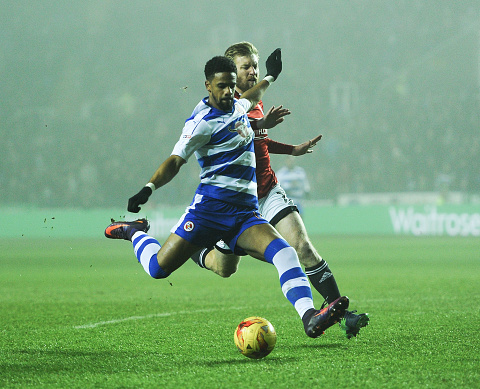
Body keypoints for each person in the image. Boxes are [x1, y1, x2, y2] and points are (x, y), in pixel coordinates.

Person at [104, 51, 349, 338]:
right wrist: (149, 187)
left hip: (245, 215)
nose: (227, 92)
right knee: (159, 269)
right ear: (208, 85)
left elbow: (253, 96)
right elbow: (174, 161)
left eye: (231, 85)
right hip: (208, 212)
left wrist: (271, 76)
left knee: (285, 252)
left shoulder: (237, 105)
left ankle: (309, 317)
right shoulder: (200, 122)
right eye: (221, 86)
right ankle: (134, 233)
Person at [192, 42, 368, 339]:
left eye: (255, 67)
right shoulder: (220, 105)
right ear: (230, 72)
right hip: (234, 200)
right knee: (224, 268)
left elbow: (258, 138)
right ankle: (194, 249)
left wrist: (292, 149)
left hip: (267, 190)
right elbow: (240, 131)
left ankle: (340, 312)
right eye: (245, 66)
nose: (252, 71)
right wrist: (261, 118)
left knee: (302, 246)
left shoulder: (254, 102)